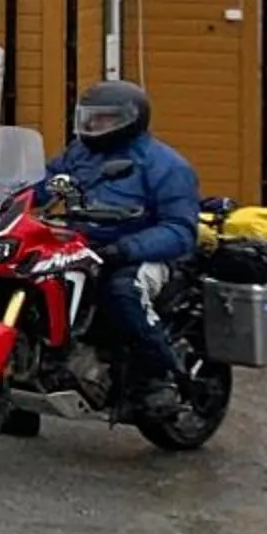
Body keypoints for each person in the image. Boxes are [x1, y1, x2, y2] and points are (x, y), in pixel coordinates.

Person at [48, 78, 200, 418]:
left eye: (104, 119)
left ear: (130, 119)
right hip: (85, 246)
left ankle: (159, 377)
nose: (94, 125)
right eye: (89, 117)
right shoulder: (79, 153)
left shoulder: (166, 165)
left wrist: (127, 248)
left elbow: (180, 230)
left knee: (123, 291)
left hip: (147, 254)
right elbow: (45, 183)